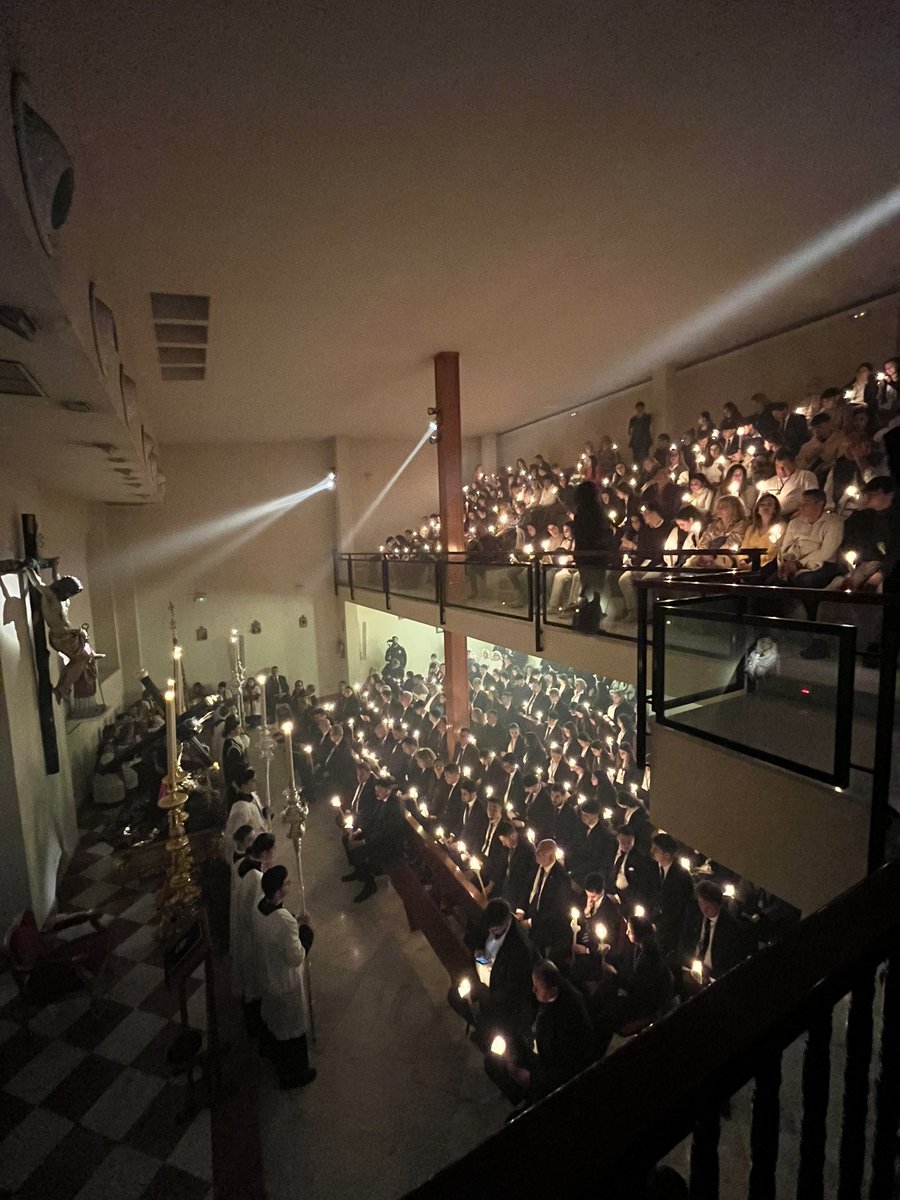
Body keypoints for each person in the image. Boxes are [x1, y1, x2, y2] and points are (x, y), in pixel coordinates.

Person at [484, 959, 594, 1106]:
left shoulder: (570, 1017)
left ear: (553, 990)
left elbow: (564, 1067)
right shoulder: (549, 992)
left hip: (551, 1069)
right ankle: (518, 1094)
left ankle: (530, 1097)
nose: (533, 990)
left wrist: (529, 1077)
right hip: (540, 1047)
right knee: (492, 1061)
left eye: (537, 987)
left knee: (505, 1068)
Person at [253, 865, 316, 1089]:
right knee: (292, 1030)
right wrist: (306, 932)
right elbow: (296, 956)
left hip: (267, 976)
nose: (288, 886)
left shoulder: (260, 907)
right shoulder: (284, 921)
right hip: (284, 982)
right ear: (279, 892)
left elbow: (275, 932)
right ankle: (294, 1074)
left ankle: (276, 1060)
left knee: (275, 1024)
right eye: (286, 883)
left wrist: (294, 921)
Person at [447, 898, 535, 1047]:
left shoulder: (520, 948)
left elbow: (512, 989)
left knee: (488, 1018)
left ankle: (483, 1029)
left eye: (494, 929)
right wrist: (478, 948)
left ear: (506, 923)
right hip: (480, 974)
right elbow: (476, 934)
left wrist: (483, 996)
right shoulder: (491, 920)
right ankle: (476, 1022)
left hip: (497, 991)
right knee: (454, 995)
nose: (491, 932)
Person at [22, 562, 93, 702]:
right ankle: (63, 688)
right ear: (65, 589)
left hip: (69, 636)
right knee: (82, 659)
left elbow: (57, 579)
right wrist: (28, 569)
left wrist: (55, 567)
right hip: (61, 637)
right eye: (71, 592)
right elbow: (38, 584)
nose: (70, 595)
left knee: (79, 660)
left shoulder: (63, 599)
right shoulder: (51, 597)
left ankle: (62, 687)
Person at [232, 831, 276, 1037]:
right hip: (250, 935)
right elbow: (257, 912)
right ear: (266, 852)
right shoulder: (258, 878)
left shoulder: (242, 863)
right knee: (253, 984)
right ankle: (256, 1028)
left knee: (246, 978)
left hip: (239, 928)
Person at [342, 774, 407, 902]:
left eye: (378, 790)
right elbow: (372, 818)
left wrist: (363, 841)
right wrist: (359, 831)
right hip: (375, 834)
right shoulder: (382, 799)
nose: (376, 792)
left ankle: (370, 884)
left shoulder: (395, 806)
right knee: (346, 839)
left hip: (388, 843)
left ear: (387, 790)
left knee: (359, 850)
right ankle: (358, 870)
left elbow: (386, 832)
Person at [765, 488, 843, 589]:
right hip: (794, 561)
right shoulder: (795, 523)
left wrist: (799, 564)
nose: (800, 507)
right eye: (800, 503)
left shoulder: (834, 523)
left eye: (806, 503)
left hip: (821, 564)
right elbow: (786, 547)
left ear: (819, 504)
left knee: (805, 581)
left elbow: (827, 551)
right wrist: (788, 562)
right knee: (769, 580)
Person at [690, 880, 753, 982]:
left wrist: (708, 972)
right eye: (700, 903)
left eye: (708, 905)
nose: (703, 909)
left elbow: (730, 963)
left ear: (717, 904)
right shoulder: (697, 916)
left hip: (714, 976)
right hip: (693, 968)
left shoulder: (730, 927)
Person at [650, 834, 694, 960]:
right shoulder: (653, 867)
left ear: (667, 855)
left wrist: (659, 924)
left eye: (656, 850)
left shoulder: (682, 877)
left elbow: (678, 908)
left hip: (672, 929)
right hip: (656, 919)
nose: (652, 852)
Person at [524, 839, 572, 956]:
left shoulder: (561, 877)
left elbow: (556, 910)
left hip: (546, 924)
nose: (536, 856)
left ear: (551, 857)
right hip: (531, 913)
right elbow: (527, 887)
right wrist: (521, 910)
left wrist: (531, 922)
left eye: (540, 854)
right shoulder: (537, 866)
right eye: (536, 852)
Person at [756, 448, 818, 517]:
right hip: (771, 517)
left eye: (784, 467)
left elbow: (812, 498)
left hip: (794, 516)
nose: (780, 470)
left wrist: (800, 511)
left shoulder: (805, 476)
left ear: (793, 464)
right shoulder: (769, 483)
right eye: (777, 467)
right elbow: (759, 503)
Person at [628, 401, 653, 466]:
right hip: (635, 443)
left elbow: (649, 428)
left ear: (643, 409)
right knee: (635, 460)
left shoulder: (647, 418)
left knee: (645, 459)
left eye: (641, 409)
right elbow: (630, 431)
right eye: (638, 409)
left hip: (644, 442)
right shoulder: (633, 419)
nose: (639, 410)